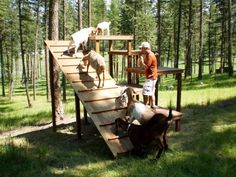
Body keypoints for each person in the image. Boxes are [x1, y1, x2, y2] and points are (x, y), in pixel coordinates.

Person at [139, 42, 158, 109]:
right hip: (153, 77)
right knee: (152, 92)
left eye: (142, 48)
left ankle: (144, 106)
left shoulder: (150, 55)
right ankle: (153, 105)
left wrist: (142, 61)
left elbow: (146, 67)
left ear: (146, 48)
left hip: (151, 77)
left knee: (145, 93)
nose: (141, 50)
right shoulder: (149, 54)